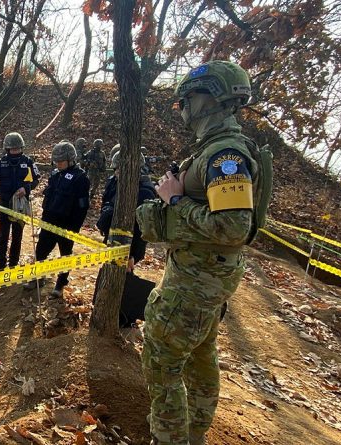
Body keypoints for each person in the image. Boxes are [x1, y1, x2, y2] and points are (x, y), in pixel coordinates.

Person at [136, 60, 266, 445]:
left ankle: (171, 438)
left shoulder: (226, 155)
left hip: (196, 282)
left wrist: (174, 201)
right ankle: (193, 435)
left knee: (161, 362)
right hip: (205, 277)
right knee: (199, 356)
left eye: (187, 99)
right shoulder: (216, 150)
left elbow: (233, 228)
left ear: (209, 97)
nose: (183, 108)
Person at [24, 141, 90, 298]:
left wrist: (74, 229)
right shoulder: (54, 175)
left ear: (71, 160)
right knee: (41, 251)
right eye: (56, 162)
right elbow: (49, 197)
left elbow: (82, 207)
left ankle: (60, 284)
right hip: (49, 221)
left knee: (65, 255)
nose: (58, 164)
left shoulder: (80, 178)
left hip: (67, 225)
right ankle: (37, 277)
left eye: (61, 161)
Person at [0, 132, 40, 270]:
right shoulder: (1, 162)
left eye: (18, 149)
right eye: (12, 149)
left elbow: (36, 180)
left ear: (22, 148)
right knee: (3, 235)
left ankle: (13, 265)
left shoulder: (28, 162)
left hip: (21, 204)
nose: (15, 152)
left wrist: (26, 189)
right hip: (4, 203)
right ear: (7, 149)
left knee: (17, 235)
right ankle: (1, 265)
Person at [96, 149, 156, 271]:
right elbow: (106, 203)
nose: (116, 173)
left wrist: (133, 254)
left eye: (120, 169)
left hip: (129, 247)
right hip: (112, 239)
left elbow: (142, 229)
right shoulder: (115, 182)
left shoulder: (145, 192)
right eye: (115, 169)